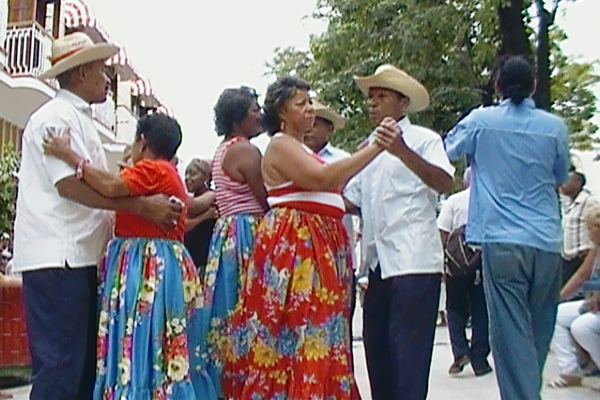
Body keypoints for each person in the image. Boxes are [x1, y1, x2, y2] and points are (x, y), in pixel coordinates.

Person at [12, 32, 181, 400]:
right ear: (82, 73)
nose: (108, 79)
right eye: (102, 71)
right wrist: (139, 207)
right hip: (60, 258)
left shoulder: (78, 119)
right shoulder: (54, 118)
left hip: (78, 258)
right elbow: (68, 187)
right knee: (60, 367)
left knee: (80, 367)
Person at [223, 76, 398, 400]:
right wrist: (377, 146)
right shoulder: (280, 144)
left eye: (310, 102)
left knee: (317, 336)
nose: (310, 109)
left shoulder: (298, 148)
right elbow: (324, 177)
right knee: (305, 332)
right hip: (300, 248)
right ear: (282, 111)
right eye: (301, 103)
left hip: (316, 245)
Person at [43, 113, 217, 400]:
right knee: (157, 346)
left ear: (142, 141)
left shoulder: (153, 170)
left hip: (145, 266)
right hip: (161, 262)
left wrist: (68, 154)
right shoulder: (167, 172)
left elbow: (110, 187)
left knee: (138, 342)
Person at [445, 55, 570, 400]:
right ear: (533, 85)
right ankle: (529, 391)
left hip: (501, 241)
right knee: (538, 329)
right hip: (546, 240)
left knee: (510, 332)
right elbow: (561, 176)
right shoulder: (554, 127)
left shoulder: (481, 121)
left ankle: (524, 395)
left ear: (497, 86)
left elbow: (448, 149)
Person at [344, 64, 454, 400]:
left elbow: (445, 182)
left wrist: (402, 151)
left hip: (414, 263)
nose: (372, 103)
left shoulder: (424, 139)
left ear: (402, 103)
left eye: (381, 96)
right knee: (378, 354)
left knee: (408, 358)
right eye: (371, 97)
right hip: (377, 265)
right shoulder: (367, 147)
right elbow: (352, 200)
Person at [200, 86, 269, 398]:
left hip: (226, 235)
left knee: (227, 311)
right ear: (238, 117)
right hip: (246, 234)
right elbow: (265, 198)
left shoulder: (222, 149)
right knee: (248, 311)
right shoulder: (246, 150)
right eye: (254, 110)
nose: (260, 115)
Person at [303, 100, 359, 340]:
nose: (310, 130)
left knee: (339, 322)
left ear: (330, 129)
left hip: (336, 252)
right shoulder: (291, 157)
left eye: (316, 124)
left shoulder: (343, 160)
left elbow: (356, 200)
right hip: (302, 253)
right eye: (307, 123)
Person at [437, 167, 492, 377]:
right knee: (481, 309)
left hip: (457, 264)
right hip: (482, 260)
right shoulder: (491, 199)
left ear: (465, 181)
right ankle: (480, 359)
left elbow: (442, 232)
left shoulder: (453, 201)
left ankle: (460, 351)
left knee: (454, 308)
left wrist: (440, 263)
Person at [548, 202, 600, 390]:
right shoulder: (596, 248)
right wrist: (557, 298)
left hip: (597, 304)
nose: (588, 234)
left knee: (582, 327)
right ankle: (570, 371)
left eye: (589, 229)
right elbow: (581, 276)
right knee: (555, 314)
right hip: (594, 303)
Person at [560, 171, 598, 286]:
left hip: (582, 257)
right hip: (567, 259)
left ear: (578, 183)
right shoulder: (567, 203)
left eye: (567, 180)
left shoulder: (589, 201)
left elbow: (596, 223)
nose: (563, 183)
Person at [184, 158, 217, 275]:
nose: (187, 178)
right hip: (192, 257)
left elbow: (189, 214)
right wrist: (205, 216)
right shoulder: (194, 199)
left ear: (205, 177)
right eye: (186, 174)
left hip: (203, 259)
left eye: (193, 174)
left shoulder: (211, 196)